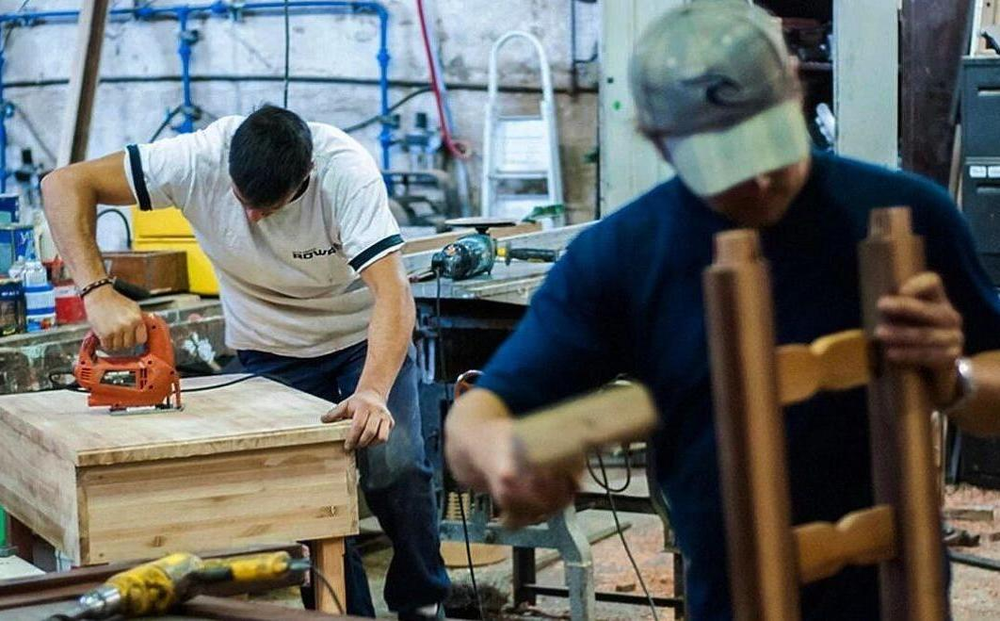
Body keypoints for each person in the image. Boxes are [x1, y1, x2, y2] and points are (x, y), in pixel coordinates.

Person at [444, 2, 1000, 619]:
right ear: (656, 140)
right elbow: (474, 423)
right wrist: (503, 460)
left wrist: (954, 378)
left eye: (770, 144)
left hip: (900, 598)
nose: (760, 182)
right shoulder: (625, 255)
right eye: (727, 161)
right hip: (727, 600)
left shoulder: (908, 217)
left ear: (795, 87)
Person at [41, 105, 450, 620]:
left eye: (269, 207)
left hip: (359, 339)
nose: (253, 218)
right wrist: (96, 291)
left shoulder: (346, 172)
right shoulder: (196, 159)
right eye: (243, 201)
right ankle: (343, 614)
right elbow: (63, 184)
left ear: (307, 174)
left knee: (398, 467)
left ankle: (423, 602)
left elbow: (393, 295)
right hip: (269, 345)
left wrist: (371, 391)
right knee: (308, 495)